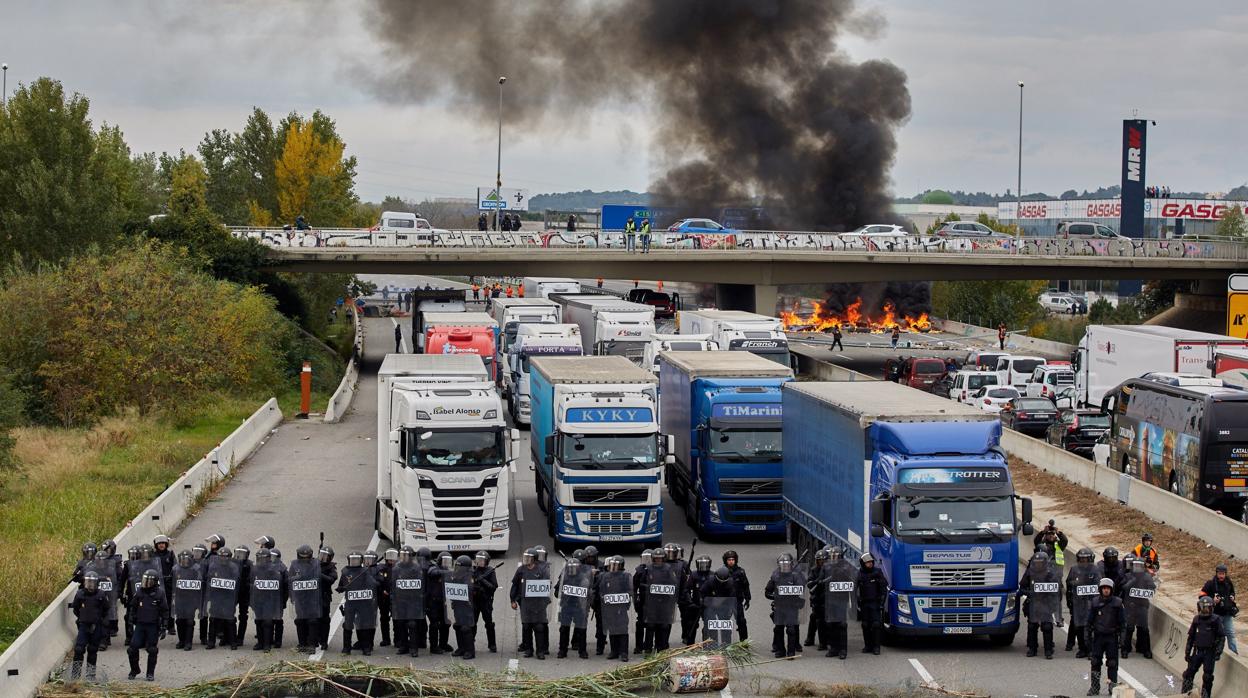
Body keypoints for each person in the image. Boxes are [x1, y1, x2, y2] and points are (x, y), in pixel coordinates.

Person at [1086, 577, 1125, 696]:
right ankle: (1094, 688)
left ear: (1111, 590)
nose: (1106, 591)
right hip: (1098, 637)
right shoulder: (1095, 602)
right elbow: (1089, 622)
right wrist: (1087, 638)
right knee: (1095, 662)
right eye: (1104, 588)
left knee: (1112, 663)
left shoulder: (1117, 603)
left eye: (1108, 588)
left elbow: (1123, 623)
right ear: (1100, 589)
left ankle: (1112, 688)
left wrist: (1122, 640)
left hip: (1112, 637)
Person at [1182, 596, 1227, 697]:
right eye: (1203, 608)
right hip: (1197, 651)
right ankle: (1185, 694)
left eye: (1207, 608)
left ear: (1211, 608)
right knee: (1188, 674)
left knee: (1207, 677)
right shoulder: (1196, 619)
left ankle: (1205, 696)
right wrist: (1187, 652)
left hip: (1209, 653)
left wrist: (1218, 652)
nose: (1205, 610)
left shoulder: (1216, 620)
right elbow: (1191, 637)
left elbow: (1221, 637)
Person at [127, 570, 168, 681]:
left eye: (149, 581)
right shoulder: (139, 592)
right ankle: (134, 669)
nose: (146, 583)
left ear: (155, 582)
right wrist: (130, 623)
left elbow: (165, 611)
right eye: (145, 580)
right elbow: (132, 608)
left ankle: (150, 673)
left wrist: (164, 627)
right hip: (140, 625)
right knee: (132, 648)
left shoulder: (160, 593)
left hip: (153, 626)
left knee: (152, 649)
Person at [70, 571, 111, 681]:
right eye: (88, 582)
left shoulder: (101, 595)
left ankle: (90, 675)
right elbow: (76, 609)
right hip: (83, 625)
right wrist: (82, 618)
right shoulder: (80, 594)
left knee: (92, 650)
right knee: (79, 649)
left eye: (92, 583)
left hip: (96, 626)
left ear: (96, 583)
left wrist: (100, 621)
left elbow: (106, 609)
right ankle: (75, 674)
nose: (90, 585)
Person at [1019, 551, 1060, 659]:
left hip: (1046, 604)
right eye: (1036, 562)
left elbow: (1057, 590)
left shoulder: (1050, 573)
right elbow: (1022, 587)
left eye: (1040, 563)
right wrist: (1030, 593)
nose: (1038, 565)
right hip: (1033, 604)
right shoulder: (1030, 573)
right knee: (1032, 626)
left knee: (1047, 626)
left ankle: (1048, 650)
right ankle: (1032, 649)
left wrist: (1053, 604)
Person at [511, 548, 551, 659]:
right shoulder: (521, 570)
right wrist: (512, 600)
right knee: (526, 626)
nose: (526, 560)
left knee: (539, 627)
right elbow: (515, 585)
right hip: (525, 604)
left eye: (529, 558)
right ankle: (528, 650)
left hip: (538, 604)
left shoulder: (542, 570)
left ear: (535, 559)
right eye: (525, 557)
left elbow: (547, 586)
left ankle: (540, 651)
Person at [337, 551, 380, 655]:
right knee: (347, 625)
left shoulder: (365, 571)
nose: (354, 562)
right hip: (351, 604)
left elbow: (374, 584)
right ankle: (346, 648)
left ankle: (366, 648)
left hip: (363, 604)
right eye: (352, 560)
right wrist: (341, 588)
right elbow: (341, 586)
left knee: (364, 625)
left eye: (356, 560)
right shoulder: (345, 572)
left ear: (361, 561)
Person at [764, 553, 805, 659]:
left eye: (787, 564)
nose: (785, 566)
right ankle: (781, 650)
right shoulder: (775, 576)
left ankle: (791, 652)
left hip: (791, 606)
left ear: (791, 564)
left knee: (791, 629)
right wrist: (776, 597)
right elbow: (767, 592)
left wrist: (791, 593)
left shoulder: (796, 576)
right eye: (783, 564)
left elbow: (802, 589)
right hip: (779, 607)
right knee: (778, 628)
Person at [821, 547, 856, 660]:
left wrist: (841, 573)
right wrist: (824, 580)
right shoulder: (827, 567)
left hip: (841, 599)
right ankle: (833, 648)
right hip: (830, 599)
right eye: (832, 556)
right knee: (831, 624)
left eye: (836, 556)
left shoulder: (846, 567)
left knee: (841, 625)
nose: (834, 559)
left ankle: (843, 650)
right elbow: (821, 580)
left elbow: (852, 581)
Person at [287, 545, 323, 654]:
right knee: (300, 620)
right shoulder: (294, 564)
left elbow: (318, 578)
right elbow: (290, 579)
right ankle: (302, 643)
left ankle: (312, 645)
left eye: (307, 557)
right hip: (300, 597)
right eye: (302, 557)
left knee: (312, 621)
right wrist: (297, 578)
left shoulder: (316, 563)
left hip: (312, 597)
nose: (304, 559)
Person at [555, 555, 592, 658]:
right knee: (564, 629)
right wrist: (562, 592)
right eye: (570, 567)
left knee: (581, 629)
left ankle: (582, 651)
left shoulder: (584, 578)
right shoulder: (564, 577)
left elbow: (589, 594)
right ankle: (562, 650)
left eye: (574, 567)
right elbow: (556, 592)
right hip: (567, 606)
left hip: (579, 606)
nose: (572, 569)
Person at [598, 555, 633, 662]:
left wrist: (625, 599)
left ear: (621, 566)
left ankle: (624, 653)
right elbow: (601, 589)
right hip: (609, 607)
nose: (614, 568)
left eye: (616, 565)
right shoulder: (605, 576)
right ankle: (614, 651)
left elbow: (630, 590)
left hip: (621, 607)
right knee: (612, 628)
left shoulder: (626, 576)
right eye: (612, 565)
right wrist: (603, 597)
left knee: (622, 629)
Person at [1034, 520, 1069, 624]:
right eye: (1049, 534)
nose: (1051, 536)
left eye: (1052, 534)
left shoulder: (1059, 546)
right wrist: (1042, 532)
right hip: (1043, 577)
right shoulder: (1042, 546)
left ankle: (1059, 619)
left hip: (1056, 577)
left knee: (1057, 599)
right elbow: (1036, 541)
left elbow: (1065, 540)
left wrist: (1059, 533)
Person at [204, 546, 239, 650]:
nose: (223, 558)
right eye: (221, 556)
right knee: (213, 619)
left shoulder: (233, 567)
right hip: (216, 597)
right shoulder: (213, 566)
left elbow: (236, 581)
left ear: (229, 557)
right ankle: (211, 642)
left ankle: (233, 642)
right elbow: (209, 579)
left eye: (225, 557)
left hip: (228, 597)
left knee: (230, 620)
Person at [643, 547, 678, 651]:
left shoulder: (668, 569)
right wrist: (647, 587)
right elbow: (642, 582)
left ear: (664, 559)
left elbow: (674, 584)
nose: (658, 560)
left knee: (663, 625)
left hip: (664, 602)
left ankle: (661, 647)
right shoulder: (648, 569)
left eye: (660, 558)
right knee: (650, 625)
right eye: (656, 558)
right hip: (651, 602)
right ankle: (648, 648)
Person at [1066, 548, 1099, 657]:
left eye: (1086, 559)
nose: (1084, 561)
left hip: (1090, 603)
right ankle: (1082, 649)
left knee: (1089, 627)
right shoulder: (1074, 569)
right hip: (1078, 603)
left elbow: (1098, 586)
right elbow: (1068, 584)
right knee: (1078, 627)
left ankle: (1090, 650)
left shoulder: (1095, 570)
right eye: (1082, 559)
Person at [1120, 557, 1155, 659]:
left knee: (1144, 628)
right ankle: (1125, 649)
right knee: (1129, 628)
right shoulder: (1128, 576)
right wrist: (1132, 581)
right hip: (1130, 606)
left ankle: (1146, 649)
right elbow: (1123, 588)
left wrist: (1148, 589)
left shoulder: (1147, 577)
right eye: (1136, 566)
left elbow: (1152, 588)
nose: (1137, 568)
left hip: (1142, 605)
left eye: (1139, 566)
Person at [249, 548, 283, 651]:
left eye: (263, 558)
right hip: (258, 599)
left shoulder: (273, 569)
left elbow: (279, 582)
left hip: (269, 599)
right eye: (259, 558)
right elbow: (250, 582)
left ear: (268, 559)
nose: (260, 560)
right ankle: (260, 643)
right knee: (258, 621)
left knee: (267, 622)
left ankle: (267, 645)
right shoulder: (254, 569)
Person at [1200, 563, 1237, 655]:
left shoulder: (1228, 583)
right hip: (1216, 615)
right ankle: (1214, 652)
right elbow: (1201, 596)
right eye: (1220, 574)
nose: (1221, 576)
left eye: (1223, 574)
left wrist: (1232, 596)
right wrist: (1212, 600)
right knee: (1217, 635)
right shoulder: (1210, 584)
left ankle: (1234, 652)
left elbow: (1232, 592)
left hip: (1227, 614)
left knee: (1231, 633)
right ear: (1216, 573)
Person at [170, 551, 202, 651]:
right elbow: (171, 583)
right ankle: (181, 640)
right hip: (180, 598)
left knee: (189, 621)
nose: (184, 562)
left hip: (191, 599)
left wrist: (198, 601)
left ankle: (188, 642)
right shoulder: (175, 569)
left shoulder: (196, 569)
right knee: (179, 621)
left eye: (186, 559)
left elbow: (200, 584)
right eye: (182, 559)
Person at [856, 552, 887, 655]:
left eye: (871, 562)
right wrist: (856, 602)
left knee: (876, 624)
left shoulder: (877, 572)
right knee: (865, 625)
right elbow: (854, 588)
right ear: (862, 563)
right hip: (864, 603)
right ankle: (867, 646)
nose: (870, 564)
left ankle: (876, 647)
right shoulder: (860, 573)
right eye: (867, 563)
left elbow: (883, 588)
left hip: (875, 603)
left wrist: (881, 603)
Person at [449, 555, 478, 659]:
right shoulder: (456, 575)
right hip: (457, 605)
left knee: (466, 628)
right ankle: (461, 648)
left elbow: (469, 588)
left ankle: (470, 651)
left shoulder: (469, 576)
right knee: (458, 626)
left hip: (467, 606)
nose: (457, 568)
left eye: (459, 566)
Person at [472, 551, 499, 653]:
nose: (480, 562)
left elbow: (493, 587)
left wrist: (482, 580)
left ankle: (492, 644)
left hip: (485, 601)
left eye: (482, 560)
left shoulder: (490, 571)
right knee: (473, 623)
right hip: (475, 601)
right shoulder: (473, 570)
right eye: (478, 560)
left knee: (489, 624)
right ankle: (470, 641)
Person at [684, 555, 713, 646]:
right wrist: (690, 602)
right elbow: (687, 589)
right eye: (701, 564)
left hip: (708, 605)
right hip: (695, 604)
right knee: (691, 625)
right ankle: (690, 644)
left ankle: (707, 644)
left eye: (705, 564)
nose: (703, 567)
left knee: (708, 625)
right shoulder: (694, 575)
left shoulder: (712, 575)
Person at [724, 550, 751, 641]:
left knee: (741, 621)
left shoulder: (741, 572)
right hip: (726, 602)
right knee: (725, 622)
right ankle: (726, 640)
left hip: (737, 601)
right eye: (729, 560)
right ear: (725, 561)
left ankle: (743, 640)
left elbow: (746, 586)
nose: (731, 561)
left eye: (732, 559)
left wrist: (748, 599)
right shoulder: (722, 572)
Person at [152, 536, 175, 633]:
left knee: (169, 604)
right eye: (159, 543)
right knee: (156, 604)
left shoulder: (170, 555)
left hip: (168, 583)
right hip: (156, 584)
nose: (161, 545)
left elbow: (175, 568)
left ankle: (170, 626)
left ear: (166, 544)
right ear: (156, 545)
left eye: (163, 543)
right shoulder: (153, 555)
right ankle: (158, 625)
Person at [316, 546, 338, 650]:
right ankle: (314, 639)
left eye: (326, 557)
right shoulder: (314, 564)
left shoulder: (331, 567)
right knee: (314, 619)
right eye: (321, 555)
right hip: (313, 597)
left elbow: (331, 579)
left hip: (324, 596)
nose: (323, 558)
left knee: (325, 620)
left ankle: (324, 642)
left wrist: (320, 575)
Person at [632, 549, 652, 653]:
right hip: (642, 601)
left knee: (650, 625)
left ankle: (648, 646)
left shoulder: (657, 570)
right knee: (640, 624)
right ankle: (638, 646)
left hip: (653, 602)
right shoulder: (639, 571)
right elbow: (634, 588)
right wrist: (635, 601)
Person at [233, 545, 252, 646]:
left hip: (244, 593)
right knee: (228, 614)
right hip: (233, 592)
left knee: (243, 616)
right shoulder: (232, 563)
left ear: (247, 555)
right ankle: (229, 637)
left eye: (242, 553)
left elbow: (252, 578)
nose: (239, 555)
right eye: (238, 553)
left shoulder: (250, 564)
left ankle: (240, 638)